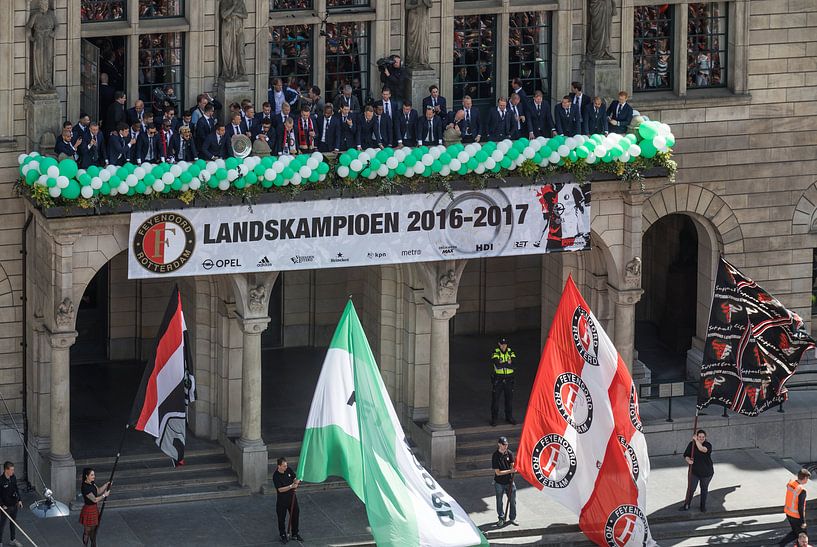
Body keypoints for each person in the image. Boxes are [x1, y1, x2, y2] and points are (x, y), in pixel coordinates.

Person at [680, 429, 713, 512]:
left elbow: (702, 449)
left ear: (705, 438)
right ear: (697, 437)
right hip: (694, 472)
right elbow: (686, 455)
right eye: (699, 437)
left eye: (703, 437)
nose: (701, 438)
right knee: (691, 489)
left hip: (706, 473)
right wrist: (688, 460)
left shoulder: (708, 445)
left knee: (704, 489)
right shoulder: (692, 445)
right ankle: (687, 504)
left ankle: (702, 506)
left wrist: (695, 440)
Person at [273, 457, 303, 544]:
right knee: (281, 518)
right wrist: (291, 486)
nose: (286, 467)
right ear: (279, 466)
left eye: (286, 465)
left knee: (295, 514)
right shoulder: (276, 476)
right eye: (284, 466)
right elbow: (280, 489)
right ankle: (283, 535)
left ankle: (295, 533)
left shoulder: (288, 470)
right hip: (282, 500)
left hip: (292, 498)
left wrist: (296, 481)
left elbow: (294, 478)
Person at [79, 467, 111, 547]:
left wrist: (106, 485)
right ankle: (85, 545)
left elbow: (99, 491)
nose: (94, 476)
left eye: (94, 475)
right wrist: (104, 495)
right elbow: (94, 499)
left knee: (93, 530)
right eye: (92, 475)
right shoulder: (85, 487)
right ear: (87, 476)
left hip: (94, 509)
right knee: (87, 531)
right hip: (88, 509)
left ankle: (93, 545)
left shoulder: (92, 483)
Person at [780, 468, 811, 546]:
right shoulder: (802, 490)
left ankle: (781, 544)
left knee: (795, 532)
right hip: (796, 516)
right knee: (803, 536)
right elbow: (800, 507)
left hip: (788, 512)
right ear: (805, 478)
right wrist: (803, 521)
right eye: (807, 478)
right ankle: (782, 544)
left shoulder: (791, 483)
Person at [490, 337, 517, 426]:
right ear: (499, 344)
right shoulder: (496, 352)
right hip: (499, 379)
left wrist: (503, 363)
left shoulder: (510, 351)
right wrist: (508, 363)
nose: (504, 346)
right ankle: (494, 419)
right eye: (502, 344)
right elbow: (497, 364)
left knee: (509, 400)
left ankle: (509, 417)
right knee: (495, 401)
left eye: (505, 344)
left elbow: (514, 364)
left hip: (509, 379)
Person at [492, 437, 517, 528]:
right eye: (503, 444)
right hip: (499, 483)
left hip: (510, 481)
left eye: (506, 444)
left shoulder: (509, 453)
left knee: (513, 500)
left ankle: (512, 518)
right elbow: (498, 473)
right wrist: (511, 471)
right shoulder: (495, 455)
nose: (505, 446)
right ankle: (501, 518)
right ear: (499, 444)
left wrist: (514, 467)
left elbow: (512, 464)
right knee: (499, 501)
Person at [0, 462, 22, 547]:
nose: (13, 471)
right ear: (6, 470)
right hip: (5, 507)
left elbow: (16, 488)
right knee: (2, 525)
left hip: (14, 504)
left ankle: (12, 540)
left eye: (13, 469)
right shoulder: (1, 481)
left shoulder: (13, 477)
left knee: (13, 523)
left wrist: (19, 500)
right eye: (12, 469)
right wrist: (2, 505)